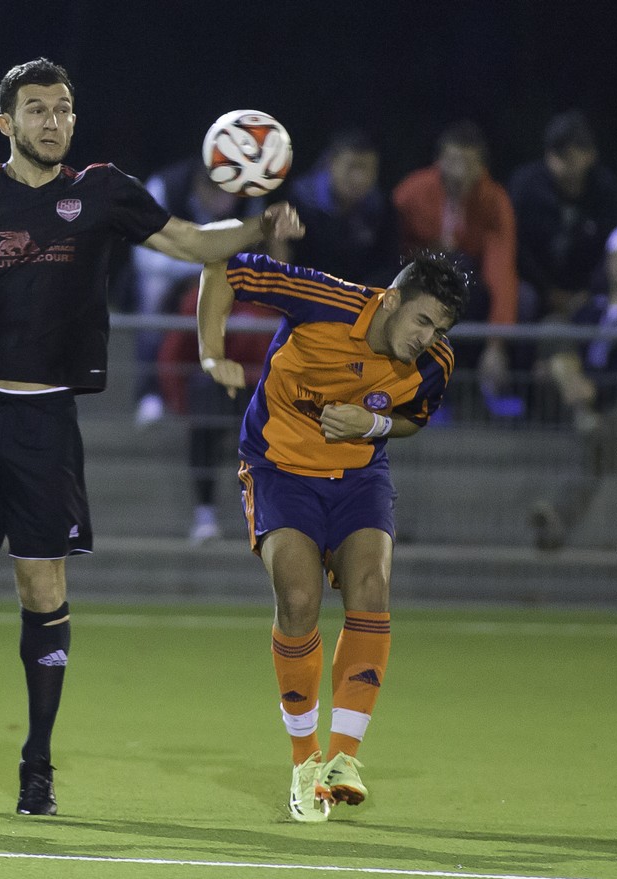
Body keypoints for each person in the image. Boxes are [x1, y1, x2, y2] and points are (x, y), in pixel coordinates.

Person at [0, 57, 300, 816]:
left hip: (46, 421)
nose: (53, 121)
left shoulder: (102, 191)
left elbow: (196, 244)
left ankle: (37, 763)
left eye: (63, 109)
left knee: (43, 588)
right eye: (37, 109)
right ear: (6, 122)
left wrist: (262, 224)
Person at [197, 246, 469, 822]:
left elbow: (414, 419)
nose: (428, 338)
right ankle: (305, 760)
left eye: (440, 329)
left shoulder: (435, 363)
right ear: (391, 300)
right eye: (422, 320)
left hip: (359, 477)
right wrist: (211, 352)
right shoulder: (322, 300)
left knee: (372, 587)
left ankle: (343, 759)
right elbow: (222, 266)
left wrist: (372, 424)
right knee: (298, 600)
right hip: (279, 468)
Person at [531, 223, 617, 550]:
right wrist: (560, 369)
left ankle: (558, 517)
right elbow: (565, 348)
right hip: (583, 401)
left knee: (601, 440)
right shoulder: (590, 310)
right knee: (554, 329)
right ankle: (586, 417)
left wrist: (596, 387)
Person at [126, 158, 266, 428]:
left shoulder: (249, 195)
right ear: (200, 186)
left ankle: (252, 394)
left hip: (226, 277)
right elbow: (146, 257)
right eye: (219, 192)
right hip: (168, 273)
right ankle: (149, 391)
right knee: (151, 291)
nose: (227, 202)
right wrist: (198, 267)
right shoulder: (165, 187)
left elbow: (255, 249)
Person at [393, 121, 517, 409]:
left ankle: (481, 390)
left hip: (470, 290)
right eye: (452, 161)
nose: (459, 172)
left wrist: (495, 345)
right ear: (438, 160)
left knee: (519, 298)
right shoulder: (411, 192)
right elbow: (393, 250)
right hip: (415, 281)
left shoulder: (495, 201)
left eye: (468, 163)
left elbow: (501, 270)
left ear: (482, 166)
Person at [156, 281, 276, 544]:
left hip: (263, 388)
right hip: (217, 386)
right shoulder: (202, 297)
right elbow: (175, 351)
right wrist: (179, 401)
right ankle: (205, 514)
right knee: (205, 417)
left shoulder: (274, 292)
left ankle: (271, 515)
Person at [510, 110, 617, 323]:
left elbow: (613, 247)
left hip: (587, 290)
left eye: (573, 155)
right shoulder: (526, 186)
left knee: (613, 299)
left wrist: (590, 291)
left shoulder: (606, 191)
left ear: (591, 154)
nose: (565, 164)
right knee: (522, 297)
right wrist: (547, 291)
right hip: (537, 285)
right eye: (558, 154)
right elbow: (515, 245)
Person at [288, 129, 400, 288]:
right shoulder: (301, 202)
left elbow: (386, 264)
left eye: (367, 169)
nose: (359, 178)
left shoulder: (380, 206)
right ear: (331, 163)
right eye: (352, 167)